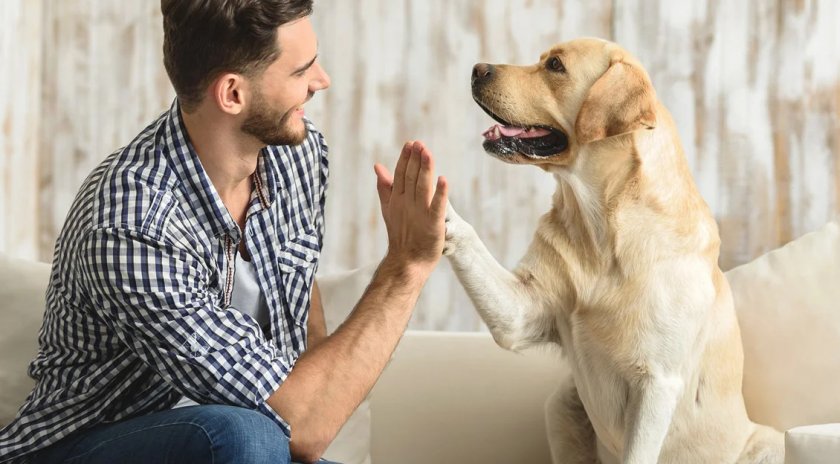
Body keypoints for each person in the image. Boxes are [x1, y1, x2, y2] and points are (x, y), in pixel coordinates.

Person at [0, 1, 447, 463]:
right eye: (301, 71)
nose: (322, 81)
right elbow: (302, 424)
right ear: (232, 94)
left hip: (257, 445)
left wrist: (312, 407)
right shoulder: (130, 221)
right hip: (85, 446)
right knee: (243, 433)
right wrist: (405, 267)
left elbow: (304, 324)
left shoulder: (297, 155)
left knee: (257, 437)